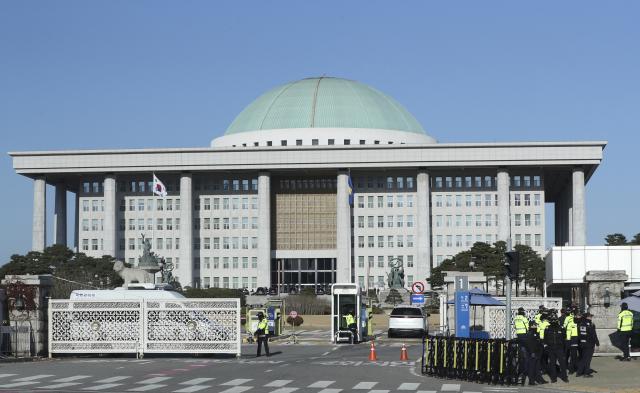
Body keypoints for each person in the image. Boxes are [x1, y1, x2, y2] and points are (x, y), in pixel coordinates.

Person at [543, 314, 569, 383]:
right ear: (550, 321)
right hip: (551, 349)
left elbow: (564, 338)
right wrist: (546, 347)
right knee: (552, 364)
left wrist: (564, 348)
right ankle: (553, 378)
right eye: (552, 320)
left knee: (562, 364)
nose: (554, 321)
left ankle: (564, 377)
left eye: (555, 320)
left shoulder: (561, 328)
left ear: (557, 320)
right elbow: (544, 339)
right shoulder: (547, 328)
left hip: (559, 348)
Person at [522, 321, 547, 386]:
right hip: (532, 353)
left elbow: (538, 342)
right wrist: (532, 352)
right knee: (532, 368)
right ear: (531, 326)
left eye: (536, 325)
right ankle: (531, 381)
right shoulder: (530, 334)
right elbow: (529, 344)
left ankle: (540, 380)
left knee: (537, 367)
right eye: (534, 325)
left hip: (538, 353)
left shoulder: (536, 333)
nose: (535, 326)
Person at [576, 312, 599, 377]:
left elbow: (578, 334)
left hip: (582, 344)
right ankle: (586, 373)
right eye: (590, 316)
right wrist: (597, 342)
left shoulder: (580, 324)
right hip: (589, 344)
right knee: (587, 359)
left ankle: (579, 372)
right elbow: (593, 334)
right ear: (586, 317)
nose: (591, 317)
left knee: (583, 358)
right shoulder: (590, 324)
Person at [514, 307, 530, 382]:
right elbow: (527, 327)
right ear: (523, 312)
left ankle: (520, 367)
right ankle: (526, 369)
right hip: (524, 335)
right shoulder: (524, 318)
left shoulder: (515, 318)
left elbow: (515, 326)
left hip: (518, 335)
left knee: (520, 352)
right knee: (526, 353)